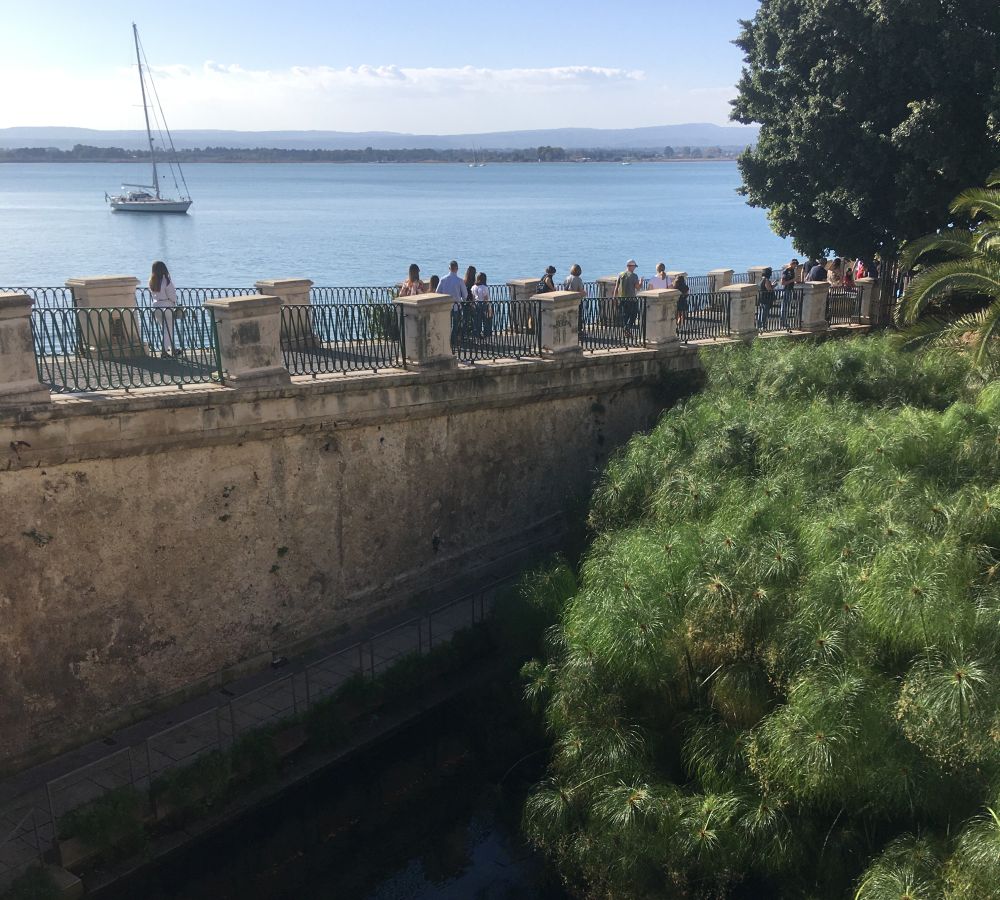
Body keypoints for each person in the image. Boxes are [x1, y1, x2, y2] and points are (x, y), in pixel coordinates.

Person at [149, 260, 181, 358]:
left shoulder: (151, 281)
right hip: (166, 306)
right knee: (168, 329)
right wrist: (175, 301)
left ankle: (173, 349)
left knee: (165, 329)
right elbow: (172, 296)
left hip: (155, 306)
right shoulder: (166, 281)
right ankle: (164, 351)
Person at [439, 260, 468, 343]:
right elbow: (465, 294)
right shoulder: (459, 281)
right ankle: (453, 341)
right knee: (455, 325)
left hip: (444, 307)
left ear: (449, 268)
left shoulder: (443, 279)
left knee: (445, 324)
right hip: (456, 306)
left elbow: (437, 293)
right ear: (457, 269)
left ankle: (445, 341)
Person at [614, 259, 642, 328]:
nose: (635, 268)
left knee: (625, 315)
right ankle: (627, 328)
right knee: (634, 314)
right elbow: (638, 287)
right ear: (631, 266)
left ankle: (626, 328)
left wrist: (614, 298)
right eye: (634, 266)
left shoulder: (621, 275)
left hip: (622, 299)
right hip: (631, 299)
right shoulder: (634, 276)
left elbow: (616, 287)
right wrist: (641, 282)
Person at [472, 271, 492, 338]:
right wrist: (489, 307)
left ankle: (477, 333)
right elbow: (486, 298)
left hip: (476, 304)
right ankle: (486, 333)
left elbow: (473, 297)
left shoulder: (474, 287)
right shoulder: (484, 287)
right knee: (486, 320)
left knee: (477, 320)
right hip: (483, 304)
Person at [779, 259, 798, 329]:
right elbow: (782, 282)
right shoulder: (786, 271)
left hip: (790, 290)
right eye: (795, 265)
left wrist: (794, 281)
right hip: (785, 290)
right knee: (784, 307)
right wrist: (792, 280)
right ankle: (782, 322)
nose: (795, 267)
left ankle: (784, 322)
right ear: (792, 264)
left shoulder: (792, 270)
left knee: (787, 307)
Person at [757, 266, 775, 330]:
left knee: (761, 312)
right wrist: (774, 286)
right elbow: (769, 289)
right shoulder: (766, 280)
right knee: (764, 312)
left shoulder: (761, 279)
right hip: (766, 298)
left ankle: (759, 324)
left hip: (762, 298)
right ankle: (762, 325)